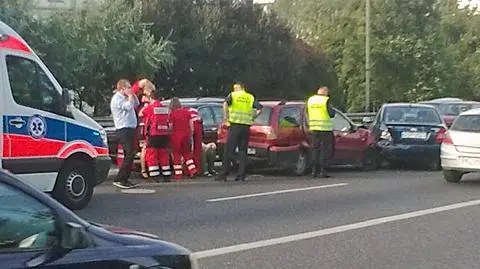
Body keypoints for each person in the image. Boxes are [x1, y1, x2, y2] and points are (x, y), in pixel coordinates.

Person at [215, 82, 262, 182]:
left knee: (228, 150)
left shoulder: (233, 95)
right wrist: (252, 117)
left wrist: (225, 118)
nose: (234, 89)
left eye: (235, 88)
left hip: (235, 125)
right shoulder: (250, 97)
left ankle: (223, 174)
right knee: (242, 151)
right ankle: (241, 175)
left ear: (239, 87)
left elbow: (225, 104)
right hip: (246, 126)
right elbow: (259, 109)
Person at [110, 79, 140, 189]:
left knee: (131, 154)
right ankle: (119, 179)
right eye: (128, 87)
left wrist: (132, 95)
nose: (130, 89)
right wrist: (130, 96)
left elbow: (136, 104)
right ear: (122, 88)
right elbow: (128, 107)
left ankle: (125, 178)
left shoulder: (126, 97)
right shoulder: (117, 99)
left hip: (130, 129)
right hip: (123, 129)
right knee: (129, 154)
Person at [142, 86, 172, 182]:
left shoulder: (150, 108)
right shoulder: (165, 108)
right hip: (164, 134)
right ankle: (166, 175)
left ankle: (155, 176)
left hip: (153, 134)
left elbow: (141, 114)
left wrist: (146, 104)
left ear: (151, 97)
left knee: (152, 155)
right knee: (164, 155)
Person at [306, 86, 336, 178]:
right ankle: (323, 171)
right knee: (324, 150)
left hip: (314, 128)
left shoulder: (310, 100)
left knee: (315, 149)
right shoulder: (325, 100)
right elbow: (331, 114)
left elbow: (307, 112)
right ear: (325, 93)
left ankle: (314, 171)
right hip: (325, 129)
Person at [169, 98, 198, 180]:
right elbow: (191, 126)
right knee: (187, 154)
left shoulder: (172, 114)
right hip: (186, 136)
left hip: (176, 137)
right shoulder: (187, 112)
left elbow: (170, 127)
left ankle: (178, 174)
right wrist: (190, 135)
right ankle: (193, 170)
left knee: (176, 155)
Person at [188, 107, 203, 175]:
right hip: (198, 125)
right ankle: (197, 169)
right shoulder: (194, 111)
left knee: (188, 150)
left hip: (190, 125)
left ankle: (189, 170)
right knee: (197, 150)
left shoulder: (181, 112)